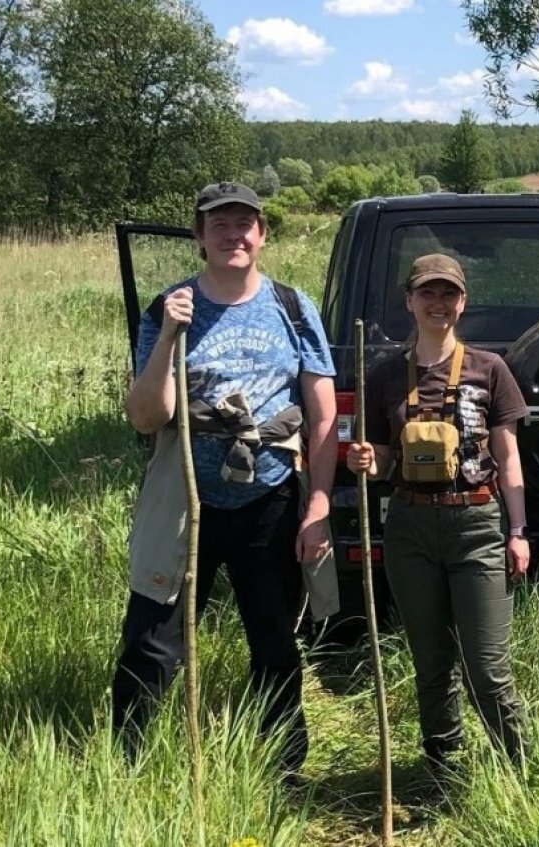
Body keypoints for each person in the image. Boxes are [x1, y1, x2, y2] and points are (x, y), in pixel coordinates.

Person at [112, 181, 338, 776]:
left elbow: (322, 413)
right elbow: (146, 416)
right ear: (199, 238)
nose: (233, 234)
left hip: (269, 497)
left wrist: (317, 502)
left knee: (273, 642)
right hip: (187, 497)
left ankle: (283, 769)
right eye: (220, 225)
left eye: (245, 223)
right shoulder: (170, 306)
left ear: (262, 235)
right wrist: (167, 337)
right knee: (153, 638)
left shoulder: (294, 306)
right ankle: (128, 767)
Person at [346, 253, 530, 771]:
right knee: (431, 662)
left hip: (477, 523)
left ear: (463, 302)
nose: (438, 303)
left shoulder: (489, 369)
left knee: (487, 669)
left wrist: (518, 531)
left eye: (448, 294)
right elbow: (382, 461)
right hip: (409, 526)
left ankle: (520, 773)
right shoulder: (385, 375)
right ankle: (443, 767)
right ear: (409, 301)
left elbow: (509, 457)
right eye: (427, 293)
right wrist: (368, 459)